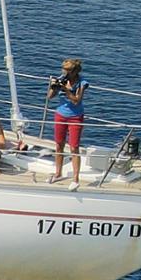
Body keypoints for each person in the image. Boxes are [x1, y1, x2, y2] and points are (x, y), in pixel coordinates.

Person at [46, 57, 89, 188]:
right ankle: (57, 173)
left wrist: (65, 89)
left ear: (74, 71)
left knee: (74, 147)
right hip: (60, 115)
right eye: (63, 70)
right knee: (59, 144)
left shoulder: (82, 83)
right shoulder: (61, 79)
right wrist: (54, 86)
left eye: (67, 71)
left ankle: (76, 179)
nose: (64, 73)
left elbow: (76, 100)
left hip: (75, 116)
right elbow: (49, 97)